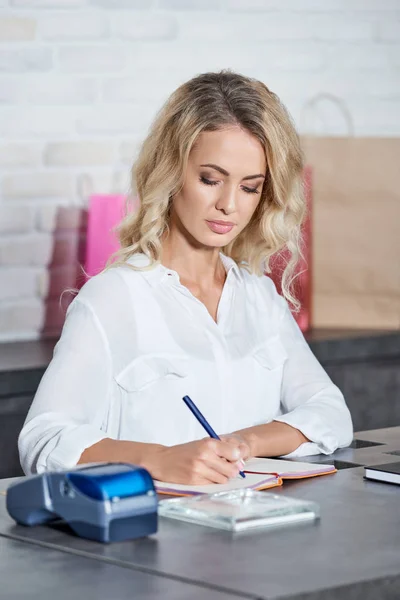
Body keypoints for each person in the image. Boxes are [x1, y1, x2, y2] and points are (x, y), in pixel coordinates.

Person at [19, 71, 353, 484]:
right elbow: (43, 439)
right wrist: (159, 459)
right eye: (210, 179)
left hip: (258, 530)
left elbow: (330, 413)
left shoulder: (258, 297)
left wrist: (243, 442)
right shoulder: (113, 297)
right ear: (172, 171)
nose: (228, 204)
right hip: (151, 537)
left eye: (250, 187)